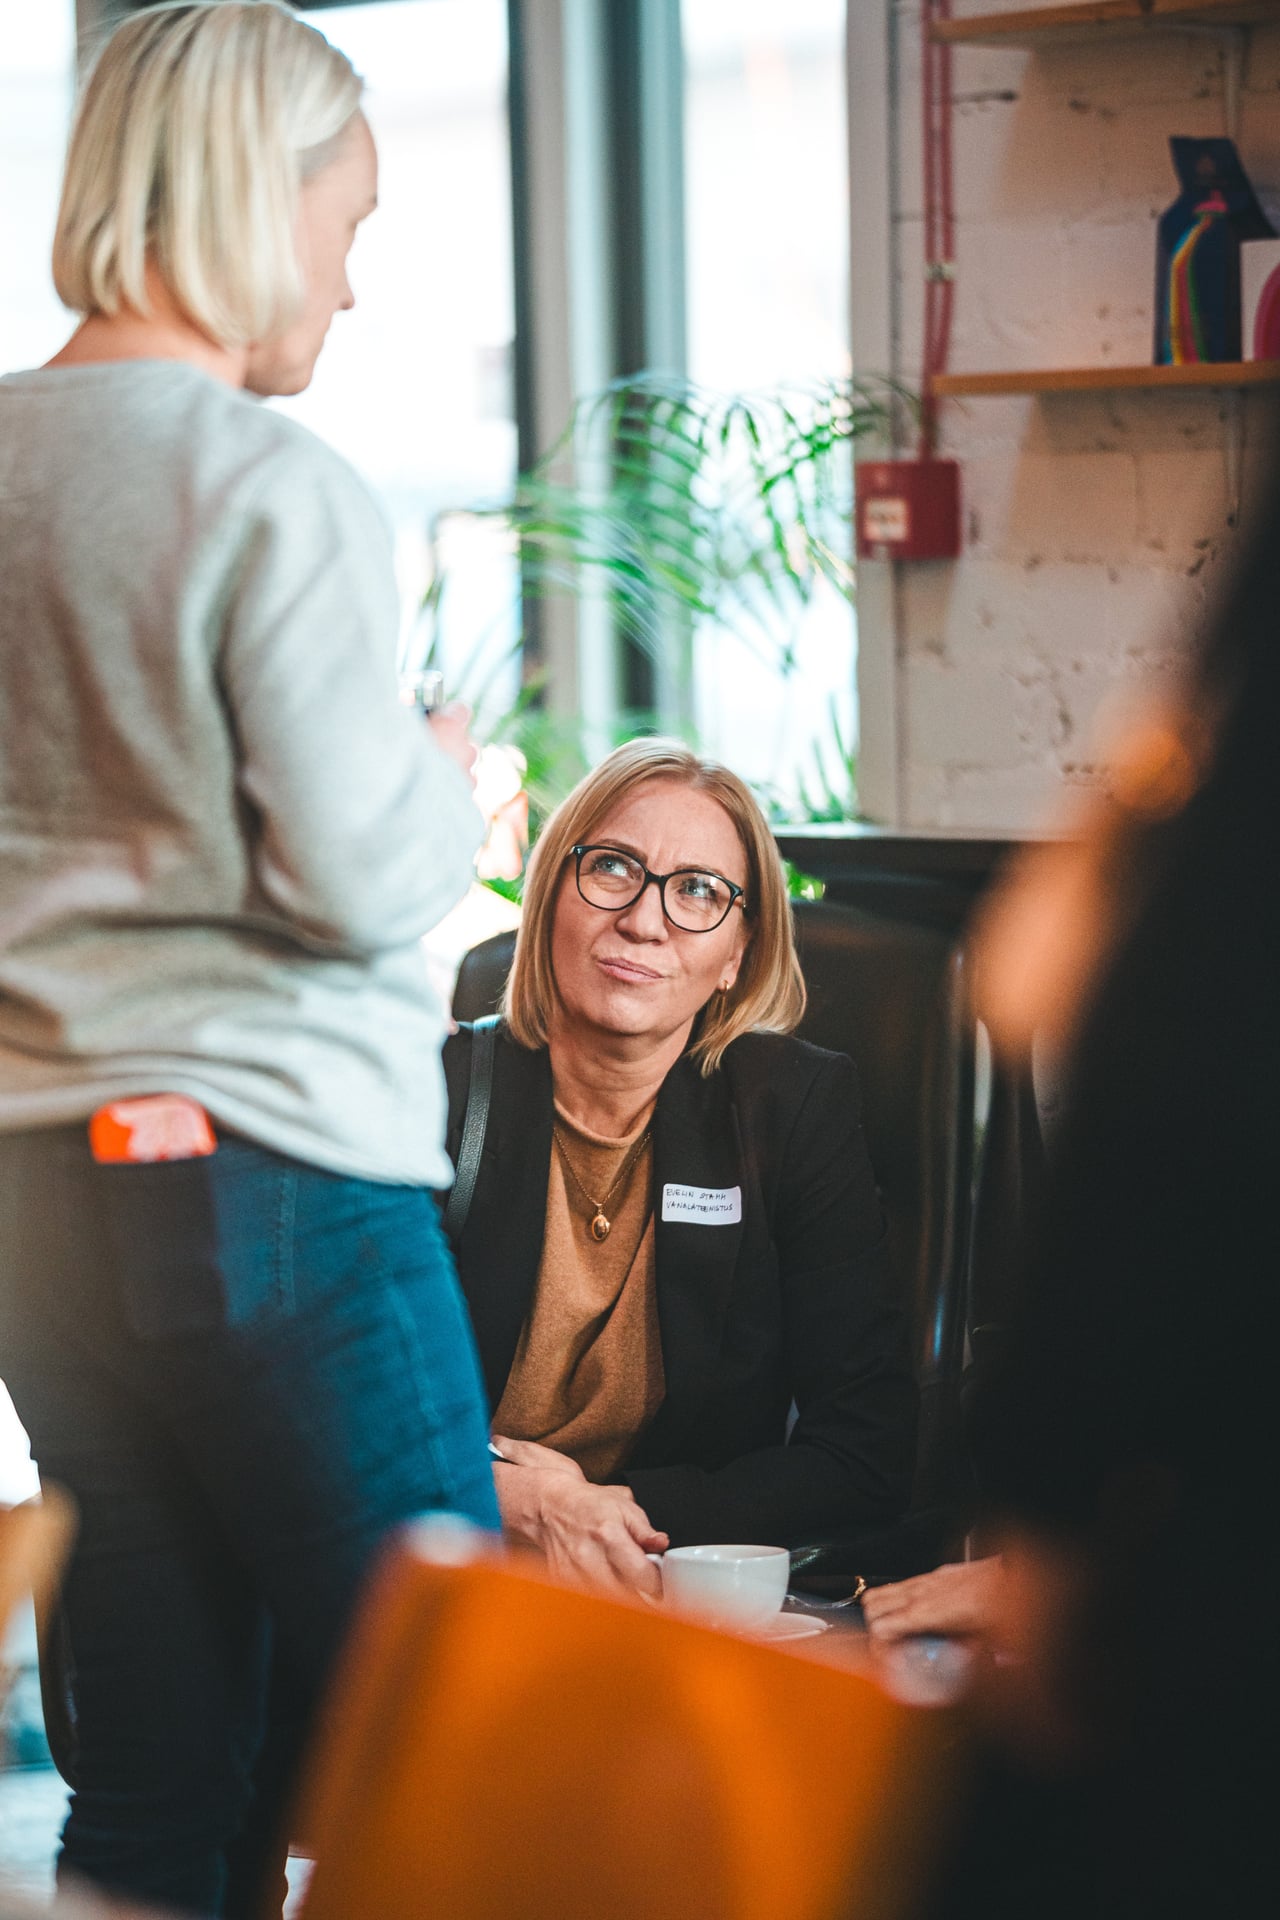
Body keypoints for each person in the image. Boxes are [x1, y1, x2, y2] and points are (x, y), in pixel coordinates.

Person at [0, 6, 498, 1914]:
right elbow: (363, 876)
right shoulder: (261, 482)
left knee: (148, 1788)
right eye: (347, 226)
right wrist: (442, 776)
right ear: (251, 196)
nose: (350, 287)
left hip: (37, 1190)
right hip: (276, 1177)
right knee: (464, 1735)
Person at [440, 739, 918, 1599]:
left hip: (676, 1594)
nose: (645, 920)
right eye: (613, 868)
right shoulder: (436, 1096)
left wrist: (605, 1512)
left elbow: (864, 1452)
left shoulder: (792, 1109)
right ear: (550, 896)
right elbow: (336, 1396)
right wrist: (509, 1498)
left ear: (737, 953)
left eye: (697, 890)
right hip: (459, 1580)